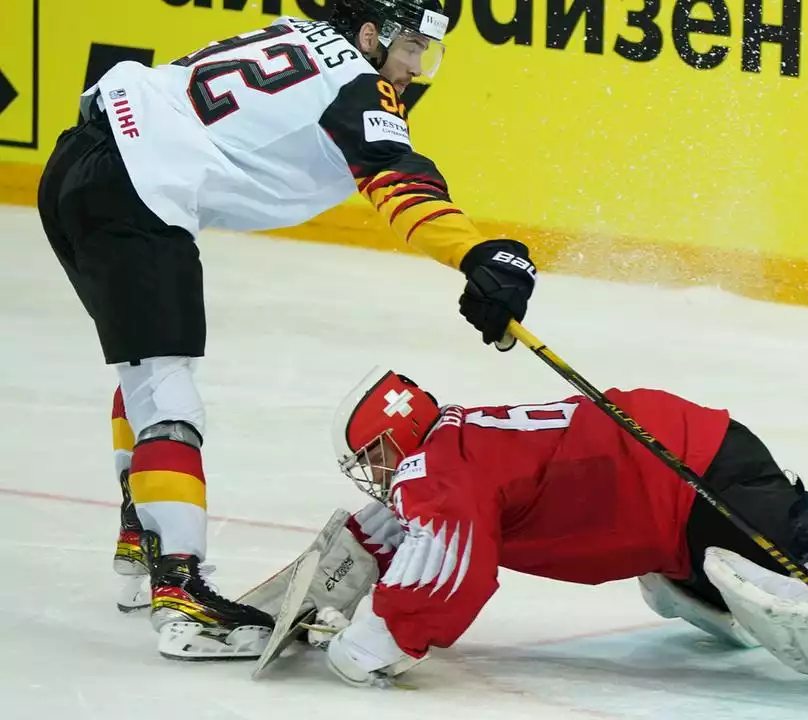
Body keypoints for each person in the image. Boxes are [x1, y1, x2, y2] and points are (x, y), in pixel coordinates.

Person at [36, 0, 538, 660]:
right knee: (169, 396)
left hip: (76, 164)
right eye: (411, 47)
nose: (416, 68)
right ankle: (182, 595)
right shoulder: (359, 83)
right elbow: (399, 181)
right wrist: (476, 255)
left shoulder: (297, 37)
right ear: (369, 35)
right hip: (137, 190)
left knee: (144, 373)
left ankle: (143, 544)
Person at [251, 369, 808, 716]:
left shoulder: (434, 465)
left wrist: (380, 637)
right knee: (771, 548)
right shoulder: (463, 435)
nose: (376, 481)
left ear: (384, 448)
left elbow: (452, 567)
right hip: (685, 466)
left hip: (683, 483)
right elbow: (430, 527)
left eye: (370, 465)